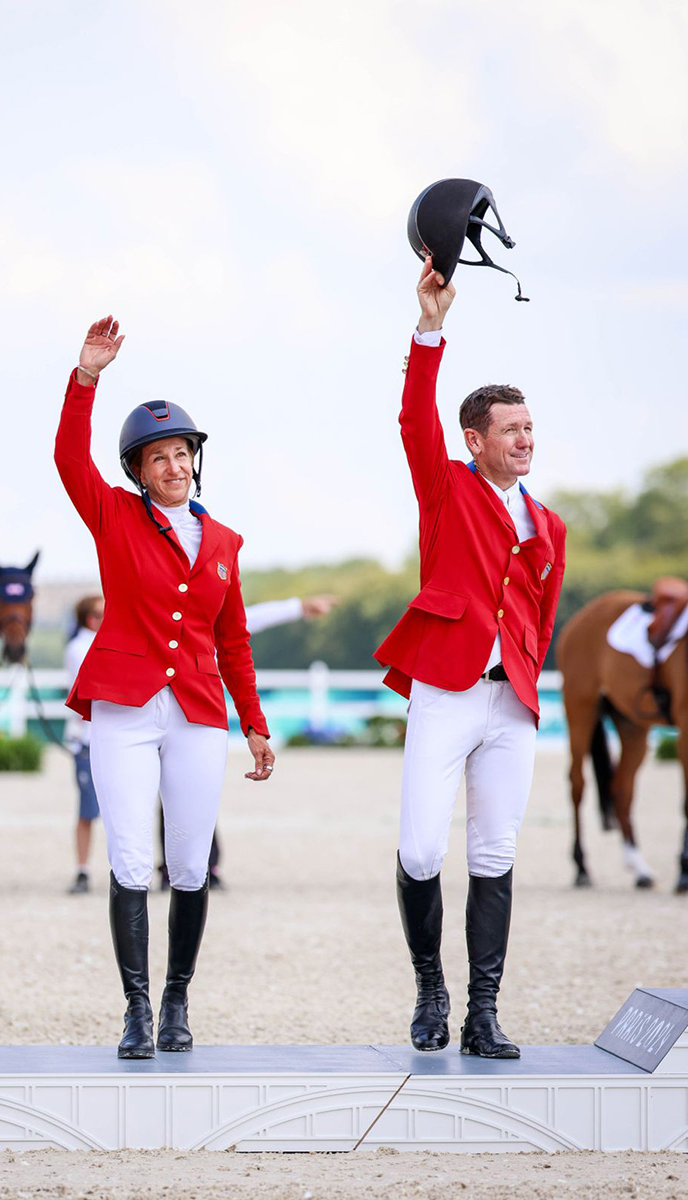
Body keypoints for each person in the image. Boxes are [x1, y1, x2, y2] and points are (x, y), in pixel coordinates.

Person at [55, 315, 274, 1059]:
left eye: (182, 454)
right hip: (124, 708)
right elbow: (65, 456)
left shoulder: (223, 544)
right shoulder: (113, 516)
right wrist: (85, 377)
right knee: (126, 859)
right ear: (139, 471)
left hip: (197, 715)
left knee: (186, 863)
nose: (174, 466)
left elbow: (234, 641)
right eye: (159, 458)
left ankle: (177, 998)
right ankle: (135, 1007)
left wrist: (254, 722)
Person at [375, 257, 566, 1060]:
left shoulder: (550, 524)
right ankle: (430, 987)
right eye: (511, 430)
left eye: (530, 427)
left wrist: (523, 677)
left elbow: (542, 613)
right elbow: (413, 419)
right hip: (447, 691)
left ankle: (483, 1011)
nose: (526, 439)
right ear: (475, 440)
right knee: (422, 848)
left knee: (495, 852)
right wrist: (430, 328)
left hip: (509, 703)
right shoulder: (446, 487)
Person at [157, 592, 338, 890]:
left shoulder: (206, 618)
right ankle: (172, 867)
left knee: (196, 793)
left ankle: (201, 866)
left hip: (196, 713)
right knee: (170, 796)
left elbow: (251, 619)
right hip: (164, 711)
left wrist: (298, 607)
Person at [64, 594, 104, 893]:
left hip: (96, 735)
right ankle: (82, 869)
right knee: (87, 809)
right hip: (89, 738)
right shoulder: (80, 647)